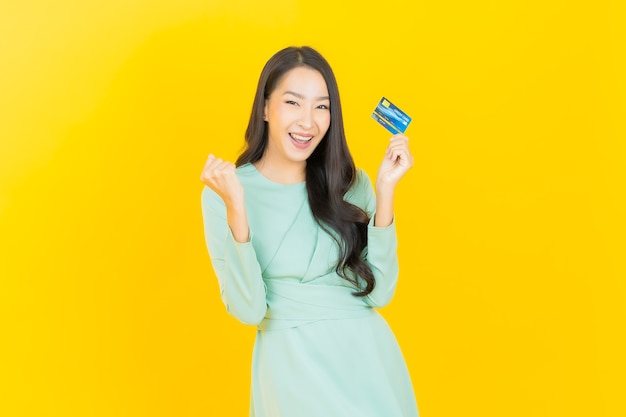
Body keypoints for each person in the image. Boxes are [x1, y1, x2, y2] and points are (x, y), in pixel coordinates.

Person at [200, 46, 419, 417]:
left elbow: (380, 294)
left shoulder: (352, 184)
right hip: (289, 371)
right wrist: (238, 207)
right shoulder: (224, 191)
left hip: (368, 365)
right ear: (265, 108)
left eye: (322, 106)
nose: (308, 122)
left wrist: (385, 193)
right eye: (293, 102)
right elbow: (249, 309)